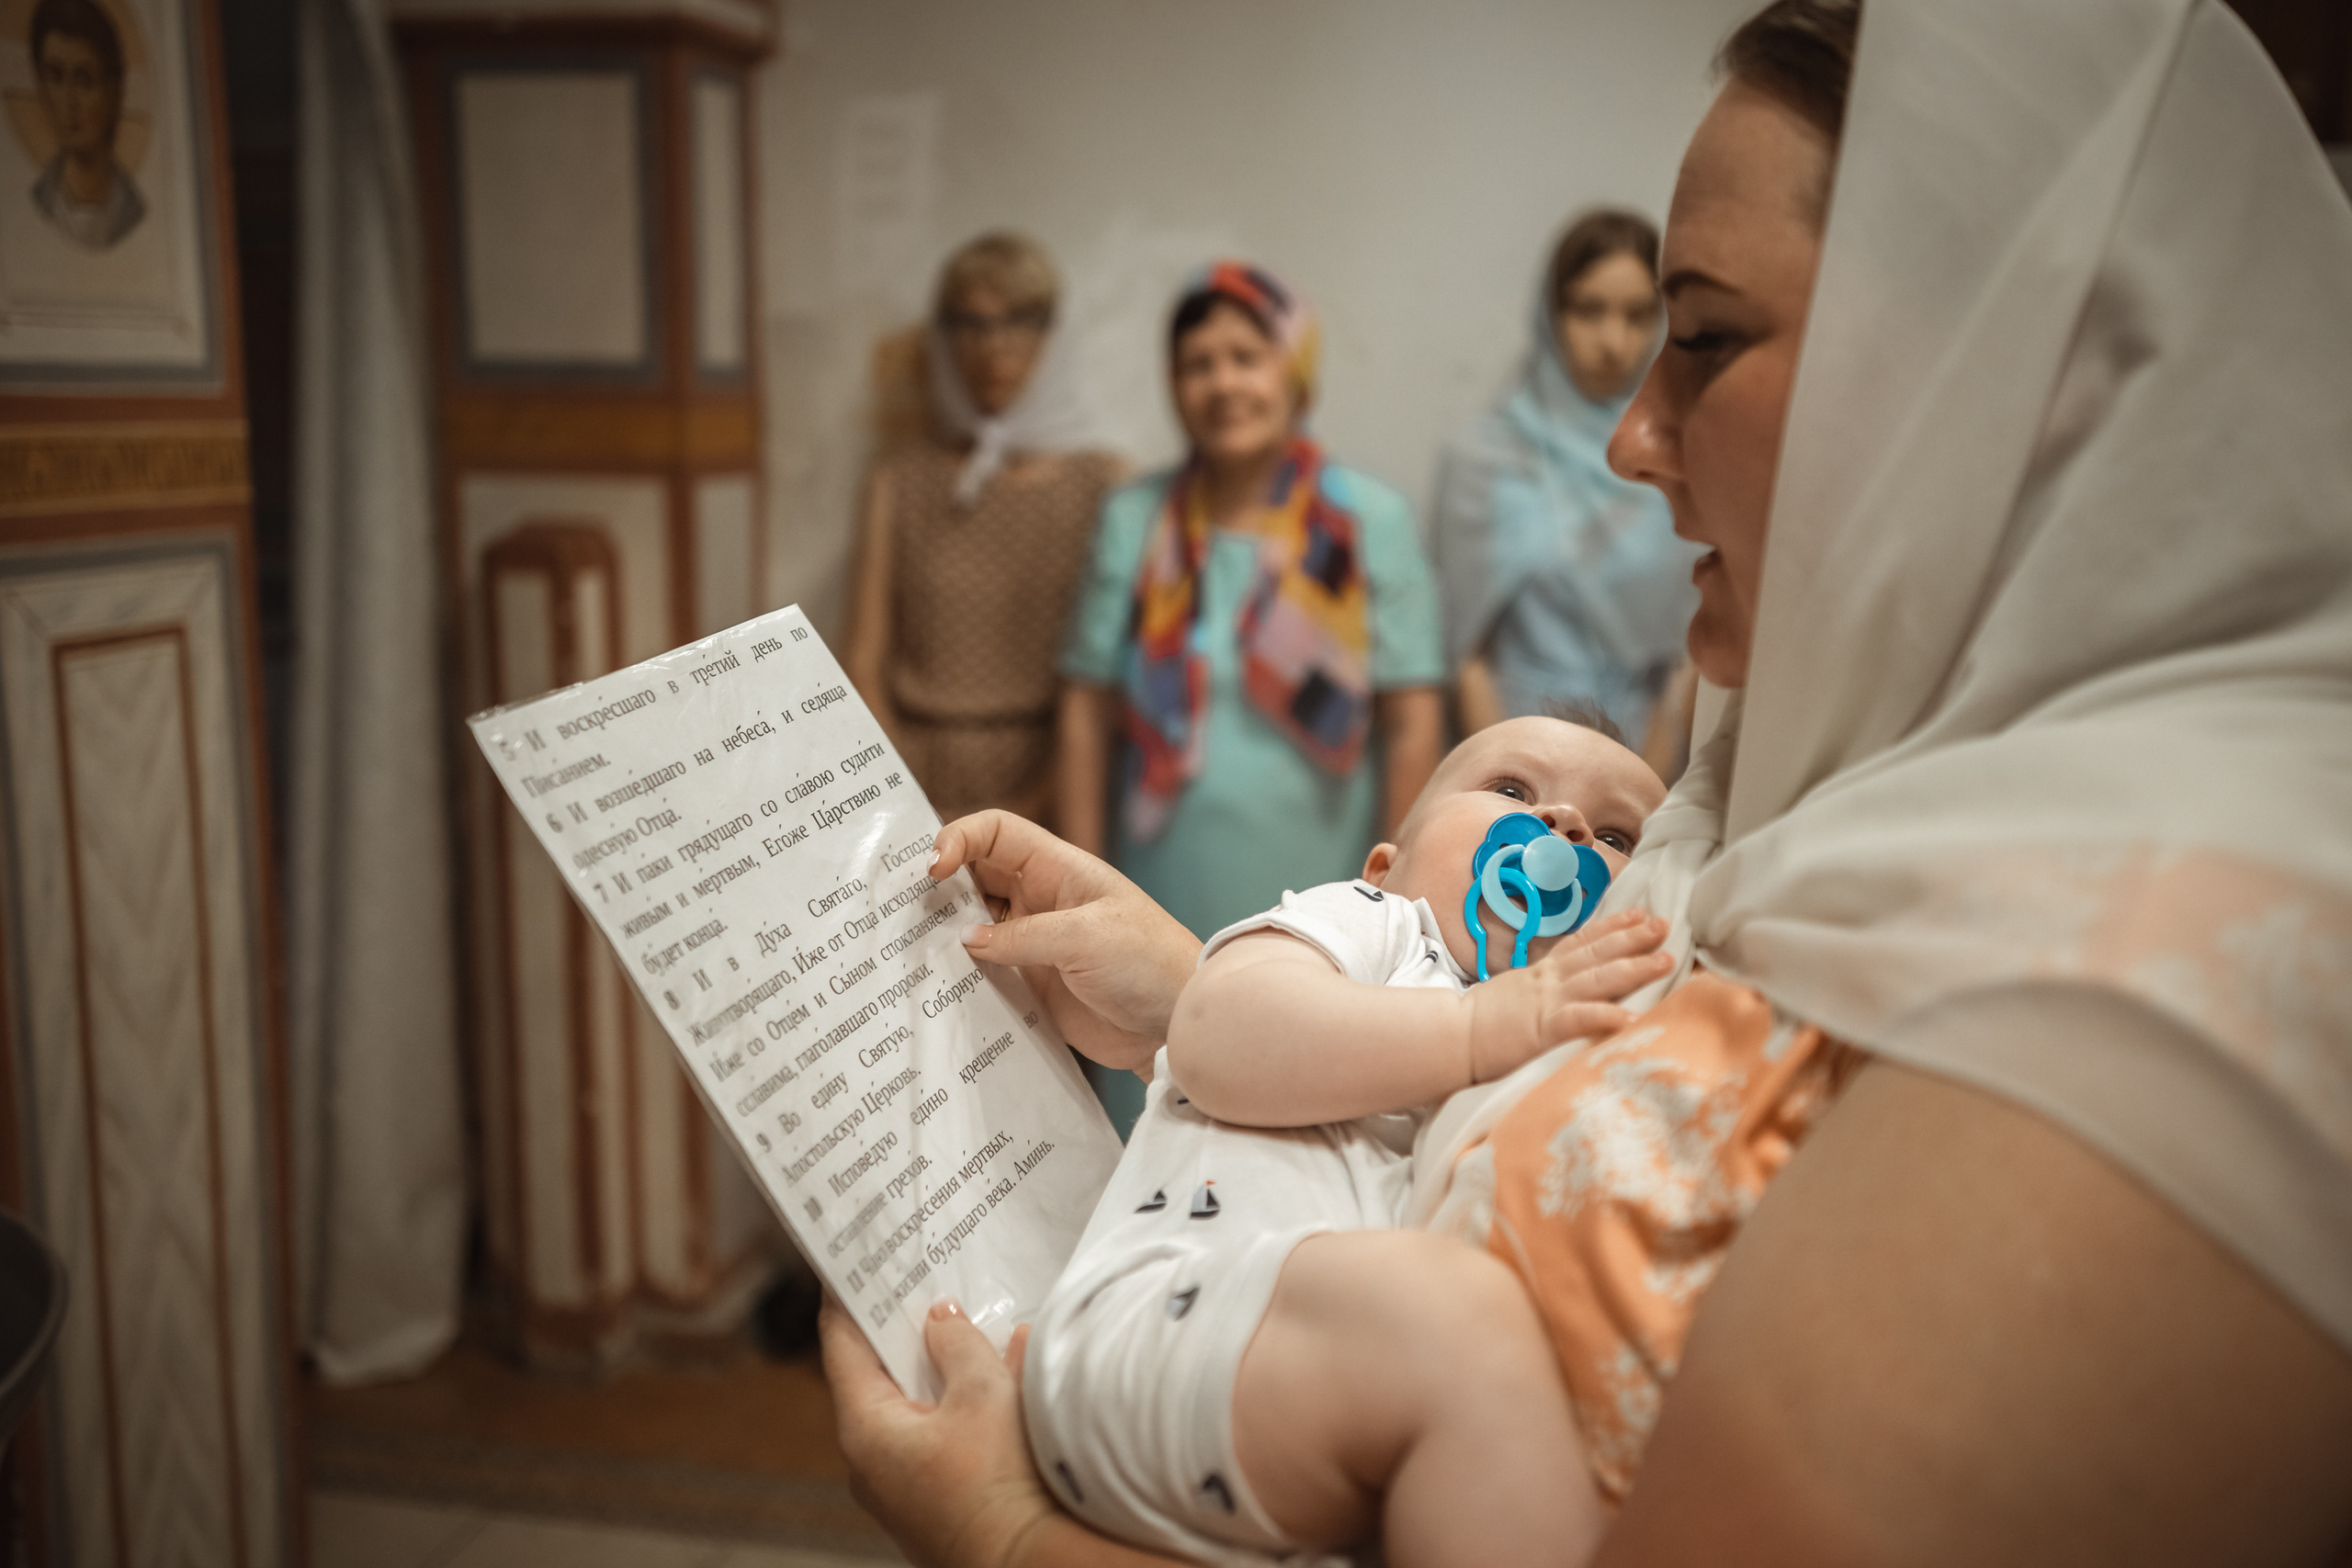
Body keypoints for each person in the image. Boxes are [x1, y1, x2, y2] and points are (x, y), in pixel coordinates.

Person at [823, 1, 2352, 1563]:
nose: (1628, 435)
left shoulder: (2152, 1018)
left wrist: (1008, 1535)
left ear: (2004, 376)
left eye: (1705, 336)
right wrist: (1197, 990)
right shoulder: (1794, 779)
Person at [1023, 716, 1669, 1567]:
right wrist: (1479, 1025)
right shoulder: (1379, 927)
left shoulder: (1571, 1049)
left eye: (1617, 836)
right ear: (1385, 864)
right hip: (1175, 1328)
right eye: (1512, 789)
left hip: (1332, 1419)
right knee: (1467, 1327)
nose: (1568, 826)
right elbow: (1216, 1031)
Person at [1057, 263, 1447, 1134]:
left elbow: (1413, 719)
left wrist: (1392, 902)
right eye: (1198, 363)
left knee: (1301, 1109)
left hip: (1324, 882)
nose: (1224, 382)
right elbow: (1085, 712)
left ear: (1294, 370)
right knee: (1154, 1108)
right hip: (1161, 878)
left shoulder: (1370, 520)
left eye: (1247, 357)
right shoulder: (1134, 519)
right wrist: (1084, 887)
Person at [843, 231, 1123, 826]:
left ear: (1054, 334)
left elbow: (1108, 681)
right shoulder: (900, 481)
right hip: (914, 773)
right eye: (969, 324)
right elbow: (864, 658)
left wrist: (1035, 803)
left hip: (1056, 774)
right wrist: (903, 797)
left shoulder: (1105, 485)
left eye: (1018, 321)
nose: (992, 346)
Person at [1430, 211, 1696, 744]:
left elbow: (1684, 659)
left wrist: (1650, 783)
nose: (1613, 340)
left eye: (1638, 315)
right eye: (1588, 310)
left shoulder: (1677, 461)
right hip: (1512, 742)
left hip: (1643, 749)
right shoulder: (1488, 459)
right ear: (1551, 314)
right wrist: (1509, 783)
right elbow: (1468, 656)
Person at [28, 0, 144, 251]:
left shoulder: (133, 210)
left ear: (112, 91)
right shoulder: (39, 201)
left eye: (84, 80)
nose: (68, 102)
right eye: (56, 77)